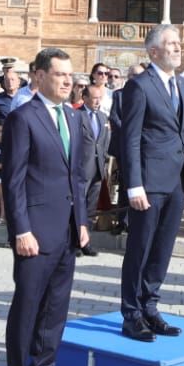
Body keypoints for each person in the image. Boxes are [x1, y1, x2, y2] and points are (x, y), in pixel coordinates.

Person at [0, 47, 89, 366]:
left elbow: (78, 177)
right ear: (38, 76)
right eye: (60, 75)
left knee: (55, 311)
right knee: (28, 309)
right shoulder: (23, 118)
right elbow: (14, 180)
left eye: (70, 75)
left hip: (67, 232)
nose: (68, 81)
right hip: (35, 234)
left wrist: (81, 220)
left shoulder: (72, 117)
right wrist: (21, 229)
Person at [113, 24, 184, 343]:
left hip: (175, 182)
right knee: (140, 248)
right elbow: (130, 139)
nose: (177, 48)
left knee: (162, 249)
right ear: (153, 51)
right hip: (148, 181)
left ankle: (150, 306)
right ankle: (131, 313)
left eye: (178, 43)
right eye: (170, 44)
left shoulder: (182, 85)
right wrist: (134, 185)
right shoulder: (140, 86)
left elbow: (183, 134)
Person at [75, 79, 111, 256]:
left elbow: (103, 142)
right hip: (82, 169)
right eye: (94, 98)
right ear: (85, 98)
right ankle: (74, 242)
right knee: (78, 206)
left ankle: (85, 242)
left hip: (98, 169)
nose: (98, 101)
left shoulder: (103, 117)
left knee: (90, 208)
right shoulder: (76, 115)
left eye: (100, 98)